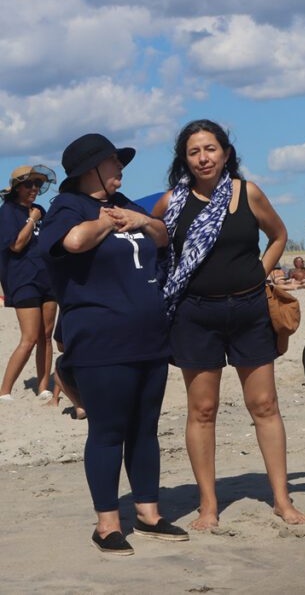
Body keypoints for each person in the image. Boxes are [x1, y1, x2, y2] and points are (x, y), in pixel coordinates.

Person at [152, 119, 305, 529]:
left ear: (225, 153)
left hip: (249, 311)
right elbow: (155, 253)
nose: (203, 158)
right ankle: (208, 505)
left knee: (265, 405)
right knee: (203, 410)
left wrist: (260, 273)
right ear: (184, 159)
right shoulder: (171, 202)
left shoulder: (247, 192)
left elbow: (278, 235)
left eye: (210, 149)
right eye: (194, 152)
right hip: (194, 315)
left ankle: (282, 500)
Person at [38, 133, 188, 555]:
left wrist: (141, 221)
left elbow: (162, 235)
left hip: (149, 338)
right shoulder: (68, 206)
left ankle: (148, 513)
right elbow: (71, 242)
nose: (121, 168)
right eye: (113, 162)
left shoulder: (127, 204)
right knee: (107, 431)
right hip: (100, 340)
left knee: (145, 429)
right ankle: (106, 524)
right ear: (91, 170)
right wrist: (107, 221)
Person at [0, 165, 59, 404]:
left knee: (46, 335)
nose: (34, 188)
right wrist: (32, 219)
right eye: (28, 184)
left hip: (47, 278)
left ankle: (43, 387)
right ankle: (4, 390)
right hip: (23, 280)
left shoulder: (41, 210)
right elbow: (16, 245)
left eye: (38, 184)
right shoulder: (8, 211)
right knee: (30, 337)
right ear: (17, 188)